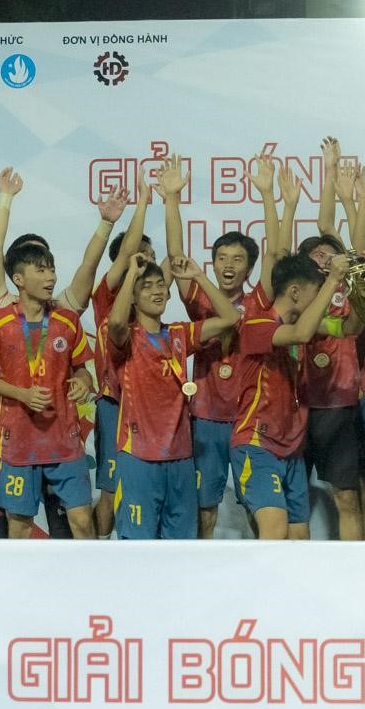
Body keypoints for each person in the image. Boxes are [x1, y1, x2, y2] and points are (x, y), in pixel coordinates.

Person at [0, 191, 126, 538]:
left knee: (75, 525)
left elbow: (88, 268)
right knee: (12, 527)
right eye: (40, 268)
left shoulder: (65, 314)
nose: (50, 275)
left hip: (63, 442)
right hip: (15, 443)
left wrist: (106, 223)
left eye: (51, 267)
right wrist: (5, 198)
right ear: (17, 276)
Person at [158, 156, 260, 540]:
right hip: (205, 418)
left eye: (237, 259)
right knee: (205, 506)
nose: (228, 265)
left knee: (258, 504)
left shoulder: (259, 306)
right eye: (221, 258)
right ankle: (202, 566)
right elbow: (176, 257)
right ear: (213, 264)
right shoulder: (199, 299)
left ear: (249, 268)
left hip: (249, 418)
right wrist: (171, 199)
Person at [105, 255, 240, 539]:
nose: (157, 291)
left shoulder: (179, 334)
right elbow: (116, 321)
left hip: (180, 458)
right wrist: (131, 274)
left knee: (181, 546)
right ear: (133, 298)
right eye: (146, 287)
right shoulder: (126, 338)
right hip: (138, 456)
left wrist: (199, 277)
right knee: (138, 545)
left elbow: (231, 318)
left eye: (160, 285)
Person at [229, 247, 352, 539]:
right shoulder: (257, 324)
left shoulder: (303, 323)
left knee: (298, 538)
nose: (322, 300)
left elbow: (348, 327)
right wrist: (332, 278)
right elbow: (300, 335)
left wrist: (359, 287)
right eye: (316, 292)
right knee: (274, 530)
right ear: (295, 292)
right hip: (257, 444)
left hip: (292, 450)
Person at [301, 138, 365, 539]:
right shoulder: (296, 294)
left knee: (348, 498)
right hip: (297, 405)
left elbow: (339, 236)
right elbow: (323, 227)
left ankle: (355, 567)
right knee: (292, 499)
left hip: (341, 405)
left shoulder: (348, 287)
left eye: (329, 254)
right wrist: (328, 172)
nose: (324, 258)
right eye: (315, 255)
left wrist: (350, 196)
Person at [84, 177, 158, 538]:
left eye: (151, 258)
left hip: (151, 408)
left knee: (144, 486)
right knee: (111, 489)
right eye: (140, 257)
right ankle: (100, 547)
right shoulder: (108, 295)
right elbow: (129, 247)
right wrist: (142, 204)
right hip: (115, 404)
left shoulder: (153, 304)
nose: (147, 264)